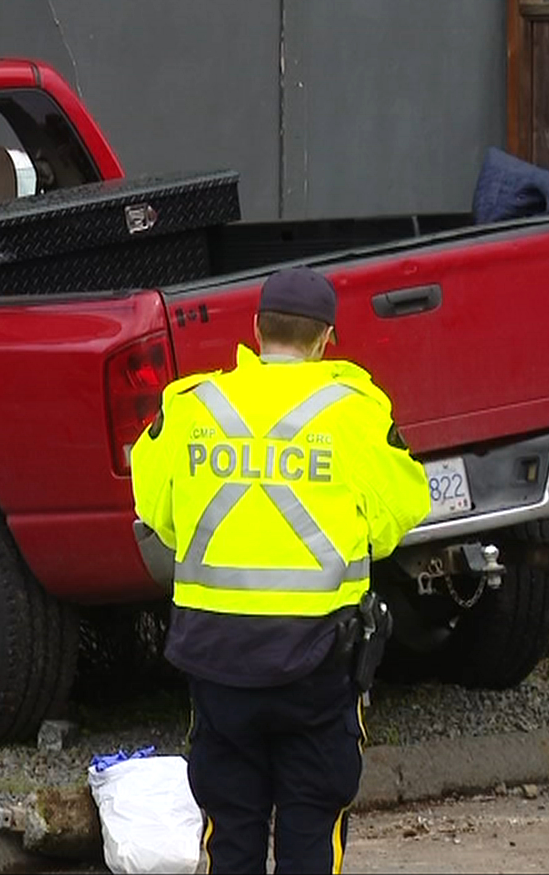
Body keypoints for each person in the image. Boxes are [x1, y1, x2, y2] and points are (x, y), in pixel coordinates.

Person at [129, 265, 432, 874]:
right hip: (319, 665)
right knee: (312, 824)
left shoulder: (192, 406)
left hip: (216, 662)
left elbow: (155, 511)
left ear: (255, 330)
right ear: (326, 339)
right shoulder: (354, 412)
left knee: (230, 827)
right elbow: (399, 516)